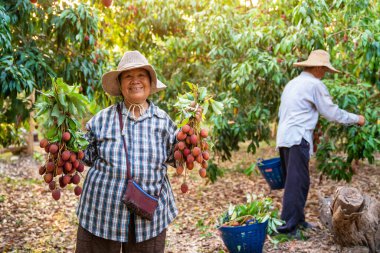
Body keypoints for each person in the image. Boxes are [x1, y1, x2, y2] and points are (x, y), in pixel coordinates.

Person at [75, 51, 178, 253]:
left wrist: (193, 138)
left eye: (141, 75)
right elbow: (84, 157)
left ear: (150, 82)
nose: (135, 81)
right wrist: (66, 138)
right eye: (128, 76)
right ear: (121, 85)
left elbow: (178, 158)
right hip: (102, 214)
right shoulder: (102, 119)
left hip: (148, 216)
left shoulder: (163, 121)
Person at [276, 49, 365, 236]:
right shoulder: (314, 84)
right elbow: (331, 112)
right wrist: (356, 118)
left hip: (285, 137)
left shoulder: (293, 83)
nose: (325, 73)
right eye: (324, 69)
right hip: (297, 137)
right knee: (296, 182)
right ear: (317, 67)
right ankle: (287, 227)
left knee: (299, 181)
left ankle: (298, 220)